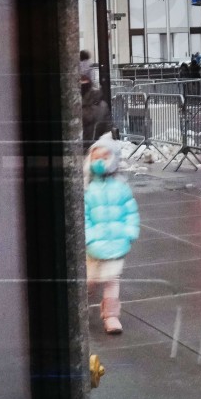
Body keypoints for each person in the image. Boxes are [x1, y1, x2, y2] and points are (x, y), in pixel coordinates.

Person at [84, 135, 140, 335]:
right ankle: (80, 304)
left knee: (111, 280)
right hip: (94, 246)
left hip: (116, 243)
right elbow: (84, 216)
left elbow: (130, 211)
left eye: (104, 158)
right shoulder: (88, 190)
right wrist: (88, 237)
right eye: (96, 158)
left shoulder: (121, 188)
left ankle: (111, 315)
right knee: (90, 281)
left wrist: (129, 231)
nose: (100, 163)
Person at [81, 74, 110, 152]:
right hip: (96, 149)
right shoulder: (103, 105)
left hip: (91, 150)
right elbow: (108, 129)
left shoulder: (76, 107)